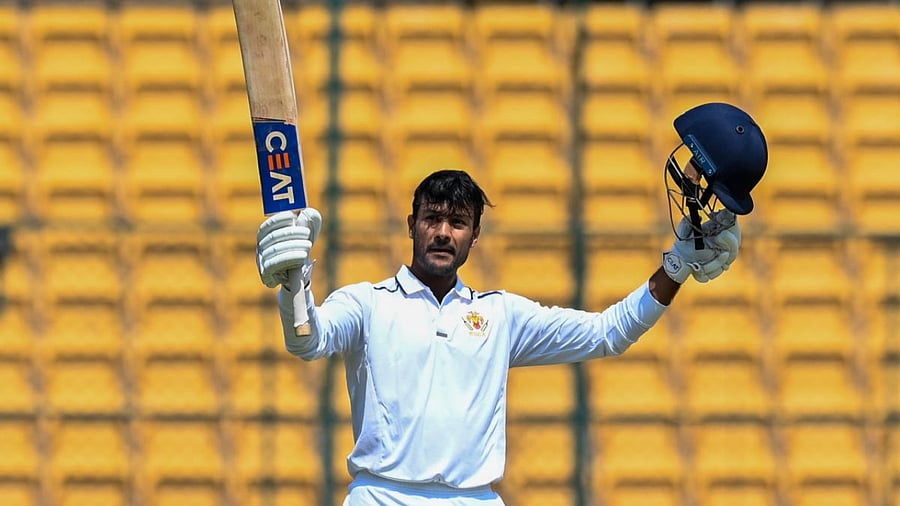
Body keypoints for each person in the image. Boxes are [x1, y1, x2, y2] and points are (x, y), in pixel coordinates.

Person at [255, 102, 765, 505]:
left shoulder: (500, 316)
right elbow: (308, 340)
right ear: (411, 225)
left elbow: (610, 333)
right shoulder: (367, 304)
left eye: (457, 223)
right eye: (432, 218)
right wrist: (292, 284)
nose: (442, 232)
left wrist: (675, 266)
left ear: (474, 237)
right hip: (381, 496)